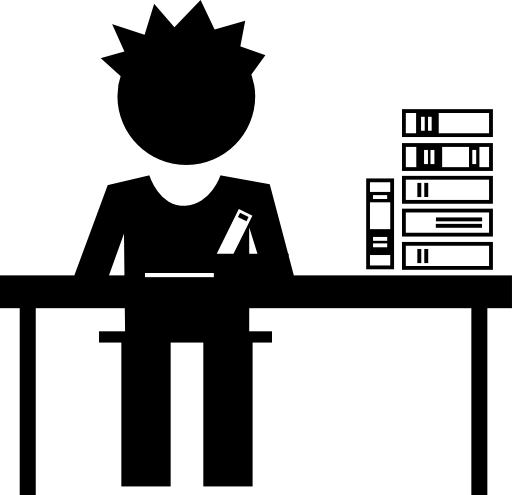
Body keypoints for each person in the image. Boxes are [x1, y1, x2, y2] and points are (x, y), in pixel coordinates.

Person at [75, 1, 293, 488]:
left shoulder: (251, 199)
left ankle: (228, 480)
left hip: (228, 332)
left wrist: (238, 275)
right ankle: (149, 480)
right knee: (145, 451)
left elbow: (283, 282)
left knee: (229, 451)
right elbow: (87, 283)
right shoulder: (124, 198)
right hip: (147, 331)